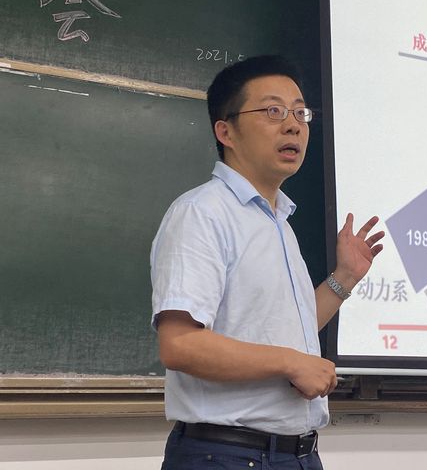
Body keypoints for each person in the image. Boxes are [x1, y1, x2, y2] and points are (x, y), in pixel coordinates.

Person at [150, 55, 384, 469]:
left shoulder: (277, 221)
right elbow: (180, 344)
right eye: (273, 111)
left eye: (300, 112)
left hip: (295, 454)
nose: (293, 125)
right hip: (227, 454)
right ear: (226, 131)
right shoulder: (203, 213)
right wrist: (292, 363)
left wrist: (344, 278)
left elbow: (285, 329)